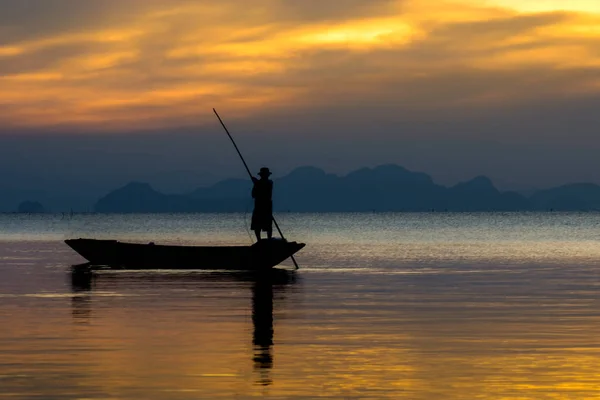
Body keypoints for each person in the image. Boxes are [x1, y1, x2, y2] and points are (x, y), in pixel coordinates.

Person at [251, 167, 273, 241]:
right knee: (257, 225)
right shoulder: (257, 184)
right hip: (258, 207)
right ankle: (259, 240)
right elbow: (253, 195)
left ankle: (269, 240)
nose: (266, 176)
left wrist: (256, 183)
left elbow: (265, 188)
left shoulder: (269, 183)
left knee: (268, 225)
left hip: (266, 207)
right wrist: (256, 184)